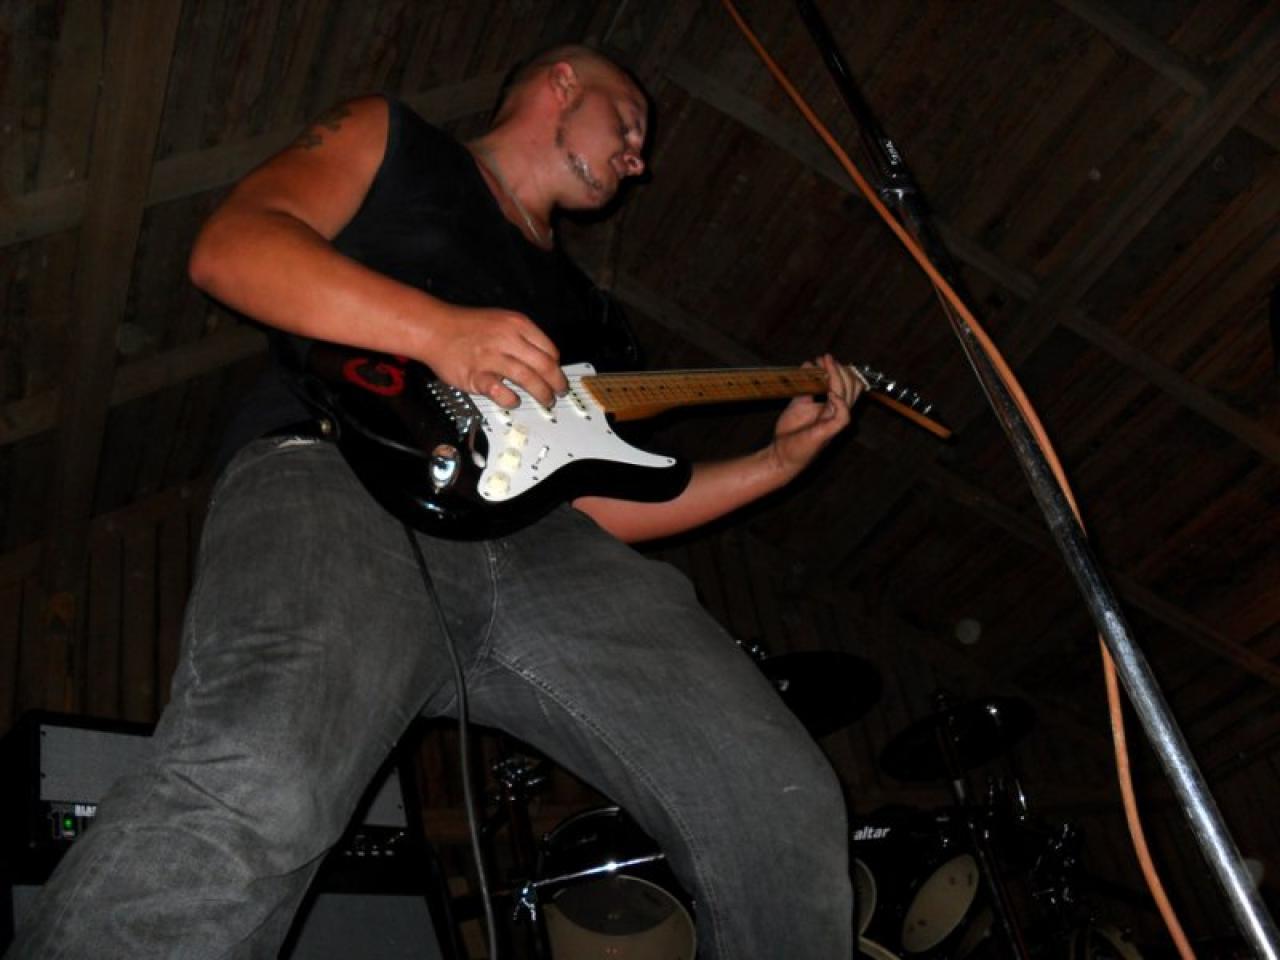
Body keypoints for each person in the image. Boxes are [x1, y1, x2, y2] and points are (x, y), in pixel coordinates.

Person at [9, 44, 859, 959]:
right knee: (261, 786)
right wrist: (439, 331)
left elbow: (598, 506)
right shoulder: (398, 142)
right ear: (563, 82)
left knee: (776, 802)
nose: (638, 156)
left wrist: (776, 462)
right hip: (342, 480)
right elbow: (233, 248)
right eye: (629, 121)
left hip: (550, 555)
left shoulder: (599, 321)